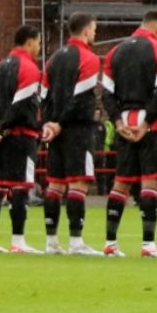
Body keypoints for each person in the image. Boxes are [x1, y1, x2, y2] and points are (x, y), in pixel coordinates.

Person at [103, 11, 157, 258]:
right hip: (150, 124)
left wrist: (116, 119)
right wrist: (146, 123)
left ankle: (110, 243)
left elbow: (106, 92)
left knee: (121, 183)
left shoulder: (116, 52)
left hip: (123, 121)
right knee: (150, 181)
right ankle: (148, 244)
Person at [39, 14, 104, 255]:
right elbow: (79, 100)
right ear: (86, 31)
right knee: (78, 184)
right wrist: (60, 123)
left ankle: (51, 242)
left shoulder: (54, 58)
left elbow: (43, 96)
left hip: (56, 131)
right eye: (94, 29)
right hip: (77, 129)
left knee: (54, 185)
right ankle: (76, 242)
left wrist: (50, 123)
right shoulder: (88, 58)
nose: (95, 34)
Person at [0, 27, 47, 253]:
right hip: (21, 136)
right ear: (29, 42)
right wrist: (3, 128)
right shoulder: (29, 68)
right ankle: (18, 241)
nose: (39, 47)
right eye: (38, 42)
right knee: (21, 187)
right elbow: (20, 106)